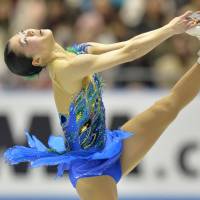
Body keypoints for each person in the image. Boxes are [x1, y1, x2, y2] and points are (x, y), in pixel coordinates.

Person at [3, 11, 200, 200]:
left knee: (166, 107)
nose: (27, 32)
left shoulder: (77, 51)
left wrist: (172, 27)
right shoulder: (64, 70)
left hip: (109, 145)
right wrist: (171, 28)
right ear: (37, 60)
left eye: (22, 33)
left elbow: (129, 44)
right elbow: (129, 53)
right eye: (25, 41)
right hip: (90, 172)